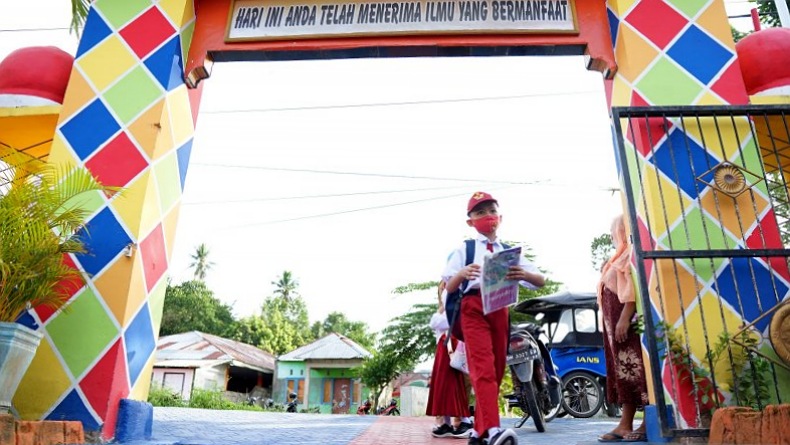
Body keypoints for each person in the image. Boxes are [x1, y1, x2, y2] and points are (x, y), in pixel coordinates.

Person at [443, 192, 545, 445]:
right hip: (473, 307)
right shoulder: (464, 250)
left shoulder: (509, 252)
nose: (487, 217)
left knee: (498, 368)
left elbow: (540, 280)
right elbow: (449, 285)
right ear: (470, 221)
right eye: (479, 213)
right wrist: (463, 274)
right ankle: (492, 429)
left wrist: (524, 274)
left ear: (500, 216)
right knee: (483, 367)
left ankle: (478, 432)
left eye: (491, 211)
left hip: (500, 307)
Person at [597, 215, 649, 443]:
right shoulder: (617, 257)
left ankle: (648, 423)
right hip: (615, 332)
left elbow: (631, 291)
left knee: (637, 371)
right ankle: (624, 423)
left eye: (614, 230)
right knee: (623, 374)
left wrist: (625, 318)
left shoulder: (630, 254)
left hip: (626, 327)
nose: (611, 235)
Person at [426, 281, 474, 438]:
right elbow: (436, 323)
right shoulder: (449, 304)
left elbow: (436, 322)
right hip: (445, 347)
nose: (443, 289)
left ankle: (465, 422)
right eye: (441, 288)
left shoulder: (457, 302)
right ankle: (446, 423)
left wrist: (441, 311)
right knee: (444, 386)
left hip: (454, 346)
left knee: (456, 385)